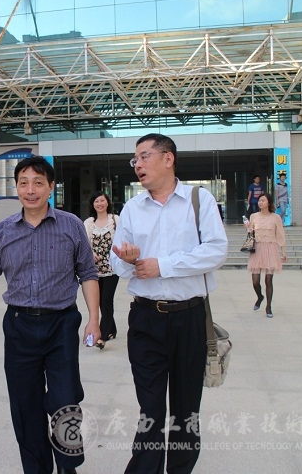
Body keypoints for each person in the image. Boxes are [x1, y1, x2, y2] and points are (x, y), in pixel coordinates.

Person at [0, 156, 100, 474]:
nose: (30, 190)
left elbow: (88, 273)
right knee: (25, 405)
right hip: (20, 326)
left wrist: (94, 319)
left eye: (38, 183)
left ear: (50, 187)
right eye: (23, 183)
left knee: (64, 399)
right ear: (16, 188)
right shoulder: (3, 231)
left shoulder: (71, 225)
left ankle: (67, 464)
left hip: (61, 323)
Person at [110, 133, 228, 474]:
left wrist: (163, 265)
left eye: (144, 156)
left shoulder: (199, 200)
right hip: (145, 319)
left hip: (189, 318)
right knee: (150, 408)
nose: (138, 164)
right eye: (135, 159)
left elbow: (216, 250)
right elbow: (116, 263)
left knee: (185, 409)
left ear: (168, 158)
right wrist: (128, 260)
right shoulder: (132, 209)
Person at [83, 191, 120, 349]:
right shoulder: (88, 222)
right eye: (96, 201)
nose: (99, 204)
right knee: (98, 302)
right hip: (94, 269)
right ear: (93, 204)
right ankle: (111, 329)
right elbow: (84, 243)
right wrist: (90, 254)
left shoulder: (115, 220)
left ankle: (102, 336)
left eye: (102, 200)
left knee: (106, 300)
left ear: (107, 203)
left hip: (112, 268)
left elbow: (122, 239)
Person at [245, 192, 287, 318]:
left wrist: (283, 251)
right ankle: (260, 297)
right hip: (257, 249)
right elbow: (251, 233)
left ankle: (268, 307)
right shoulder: (254, 216)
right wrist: (247, 227)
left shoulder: (276, 218)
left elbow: (280, 234)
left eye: (263, 200)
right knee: (255, 281)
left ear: (269, 202)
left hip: (270, 249)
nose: (260, 203)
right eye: (259, 200)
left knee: (268, 280)